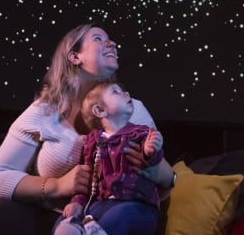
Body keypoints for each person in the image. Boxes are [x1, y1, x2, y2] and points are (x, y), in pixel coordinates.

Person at [0, 23, 175, 235]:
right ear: (74, 57)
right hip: (52, 214)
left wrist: (155, 169)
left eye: (111, 40)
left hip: (118, 214)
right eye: (99, 39)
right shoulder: (45, 111)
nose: (112, 44)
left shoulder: (133, 108)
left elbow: (167, 178)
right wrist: (56, 185)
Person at [54, 81, 164, 235]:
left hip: (137, 206)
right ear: (100, 110)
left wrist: (151, 151)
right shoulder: (92, 142)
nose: (126, 94)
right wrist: (78, 202)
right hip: (100, 204)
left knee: (118, 217)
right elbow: (87, 179)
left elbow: (153, 163)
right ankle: (72, 229)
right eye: (115, 92)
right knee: (65, 219)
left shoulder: (140, 133)